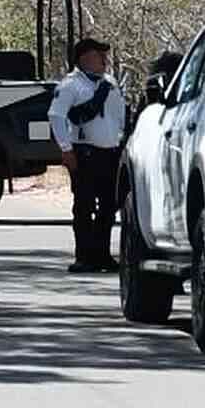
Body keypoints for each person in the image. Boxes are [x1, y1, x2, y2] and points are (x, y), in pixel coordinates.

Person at [50, 37, 127, 274]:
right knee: (83, 205)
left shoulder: (110, 83)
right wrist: (66, 149)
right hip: (84, 153)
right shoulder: (71, 85)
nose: (104, 60)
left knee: (109, 206)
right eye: (98, 55)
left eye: (105, 55)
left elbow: (119, 116)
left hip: (111, 152)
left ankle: (102, 255)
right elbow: (56, 116)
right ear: (84, 59)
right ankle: (83, 256)